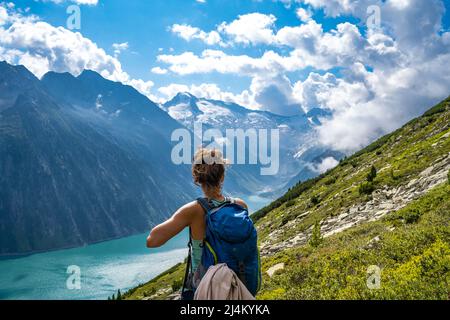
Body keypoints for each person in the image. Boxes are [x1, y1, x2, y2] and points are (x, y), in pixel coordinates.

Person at [146, 148, 261, 299]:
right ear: (222, 176)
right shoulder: (240, 206)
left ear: (196, 178)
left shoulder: (194, 210)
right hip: (243, 287)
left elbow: (152, 241)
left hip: (209, 290)